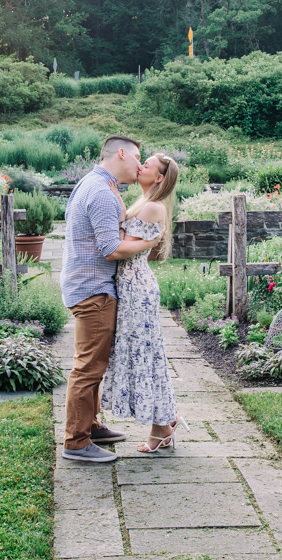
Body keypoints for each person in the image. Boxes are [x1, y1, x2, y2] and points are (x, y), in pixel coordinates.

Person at [60, 135, 157, 463]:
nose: (140, 164)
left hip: (87, 286)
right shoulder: (101, 191)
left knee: (93, 365)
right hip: (94, 291)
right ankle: (76, 442)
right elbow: (111, 249)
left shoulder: (98, 184)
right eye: (138, 157)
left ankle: (91, 426)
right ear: (121, 153)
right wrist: (149, 241)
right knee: (88, 368)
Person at [100, 152, 186, 452]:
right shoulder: (144, 201)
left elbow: (122, 246)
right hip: (132, 285)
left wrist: (146, 241)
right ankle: (164, 422)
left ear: (159, 177)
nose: (140, 166)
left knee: (144, 355)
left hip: (137, 288)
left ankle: (162, 426)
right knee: (145, 353)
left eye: (146, 165)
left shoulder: (152, 207)